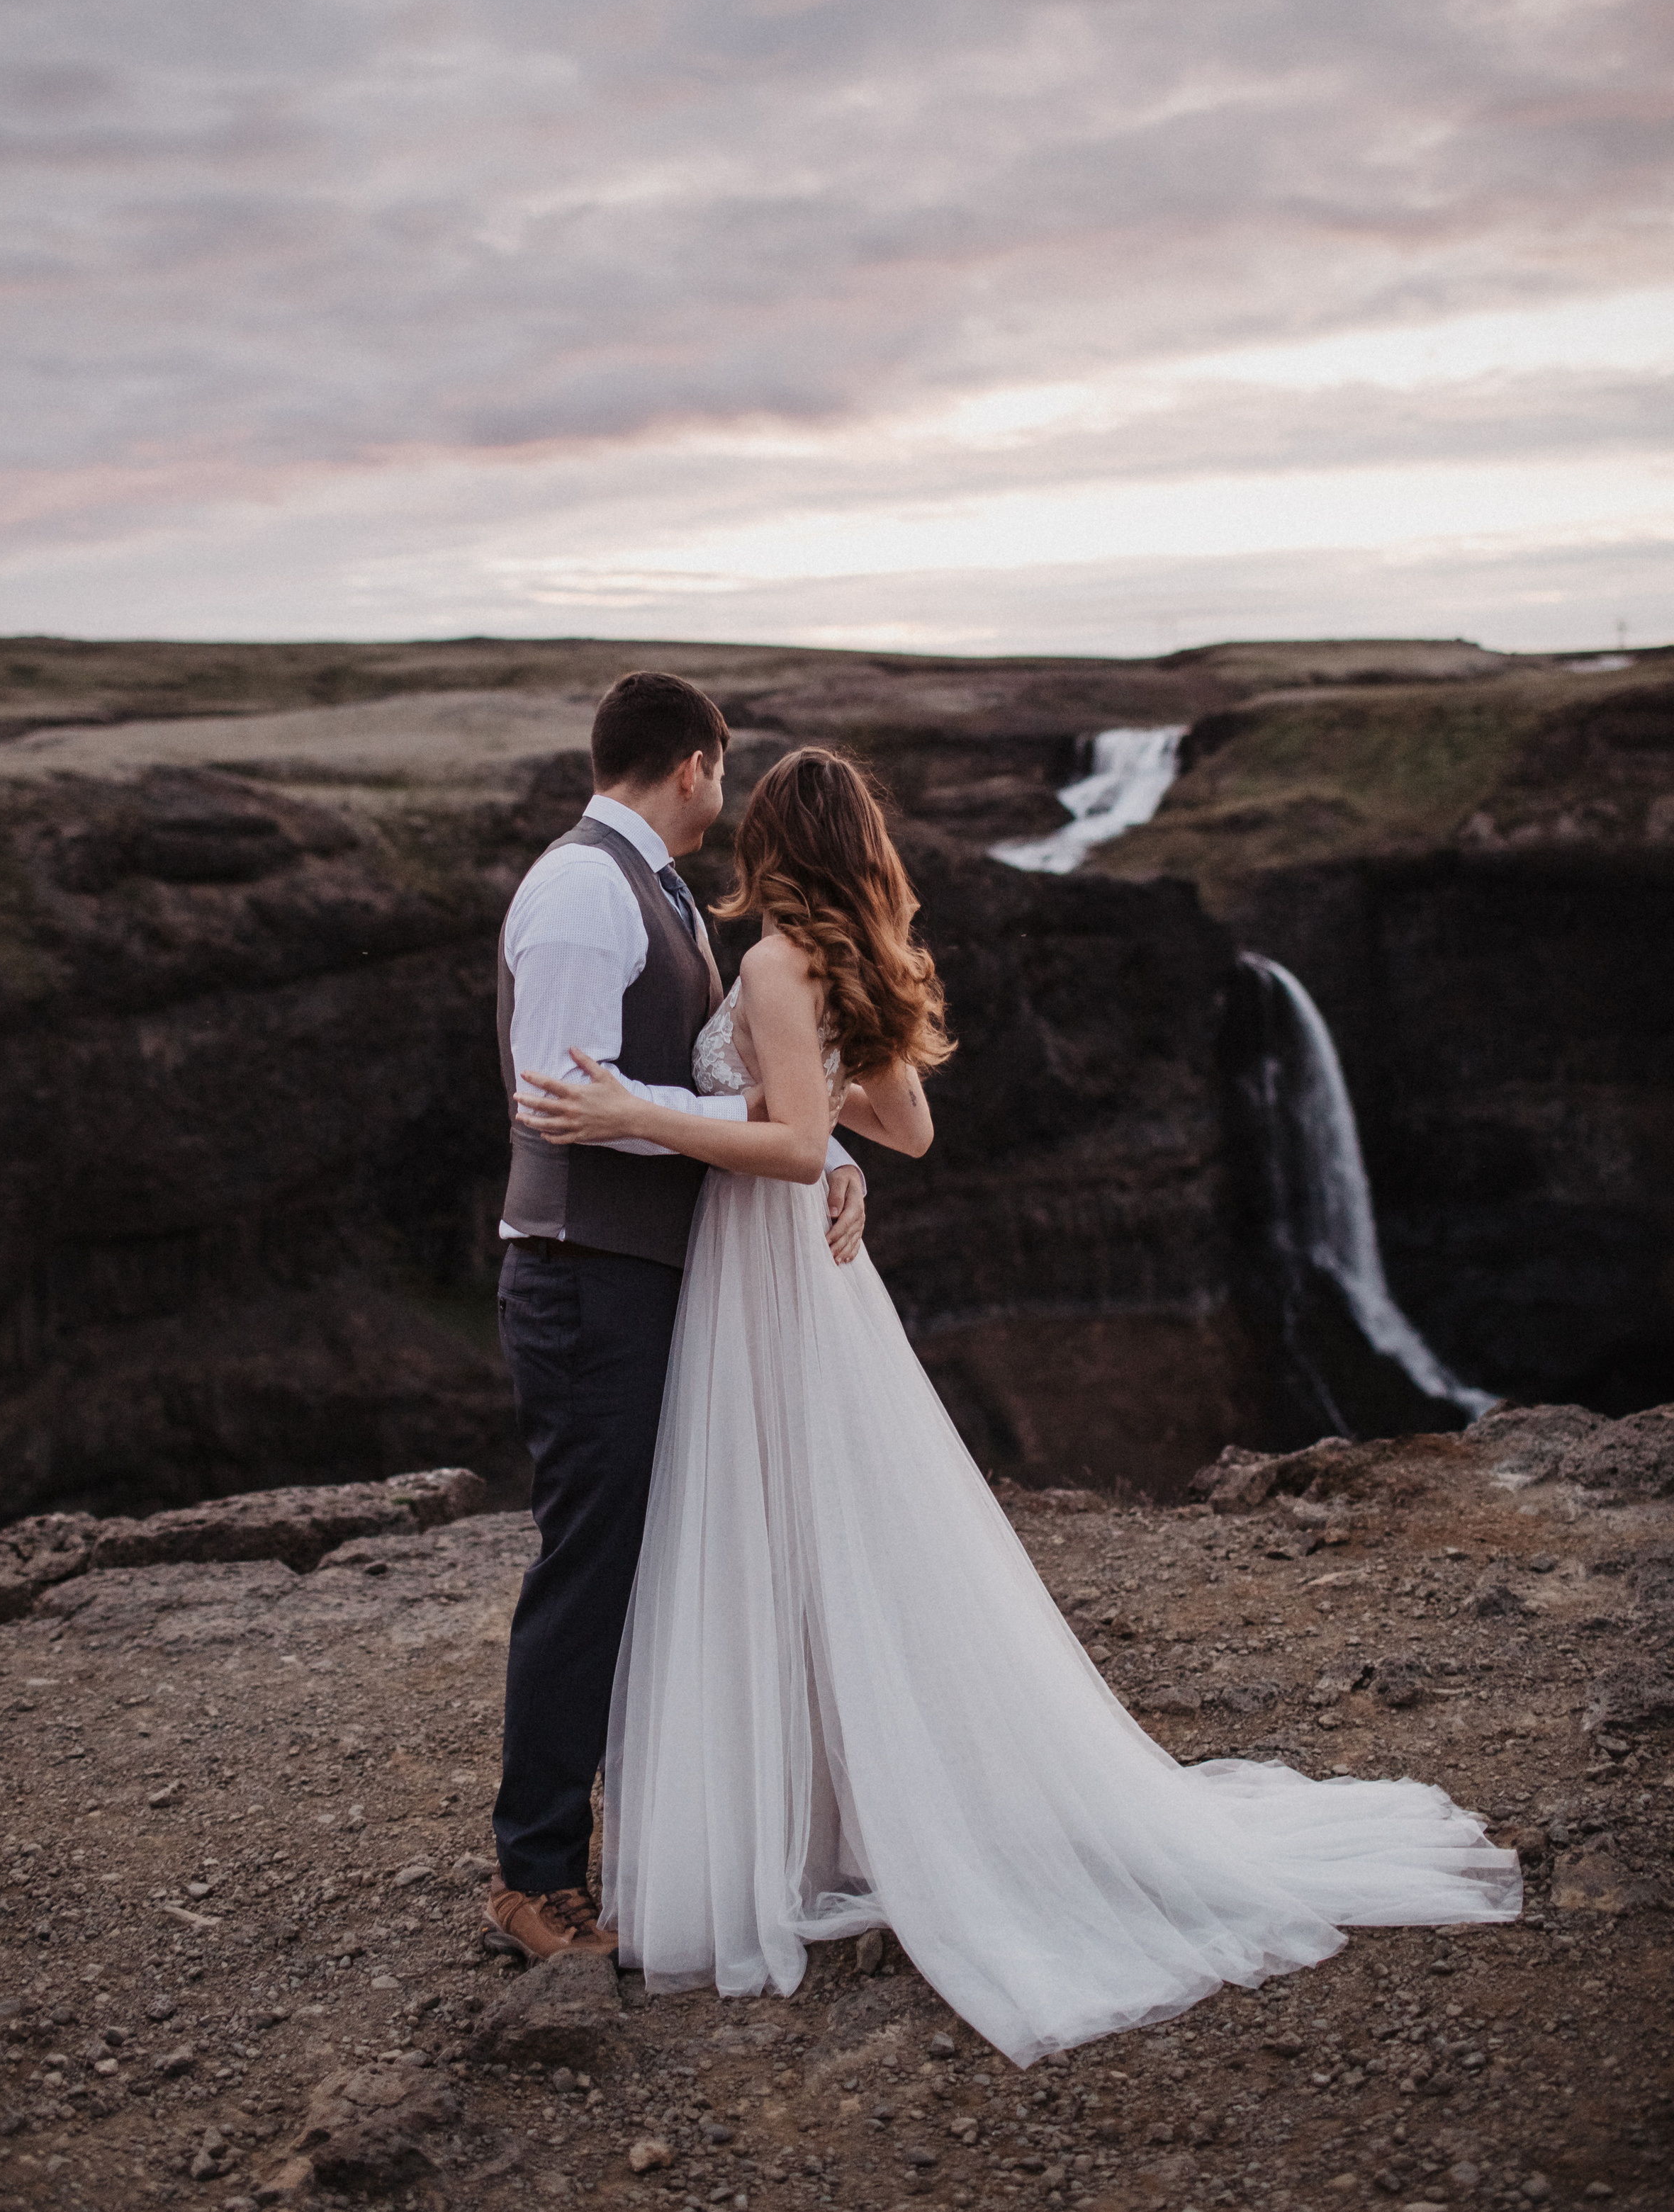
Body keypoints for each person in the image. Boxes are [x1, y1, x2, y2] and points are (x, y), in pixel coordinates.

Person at [515, 746, 1521, 2063]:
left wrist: (632, 1111)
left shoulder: (767, 963)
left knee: (767, 1532)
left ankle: (800, 1825)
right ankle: (849, 1807)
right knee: (835, 1531)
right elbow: (904, 1131)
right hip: (807, 1282)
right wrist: (795, 1117)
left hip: (756, 1277)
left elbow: (806, 1143)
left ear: (770, 840)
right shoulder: (841, 965)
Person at [485, 673, 867, 1965]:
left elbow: (733, 1089)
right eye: (725, 765)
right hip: (585, 1272)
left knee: (646, 1560)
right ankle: (534, 1876)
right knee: (589, 1567)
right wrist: (780, 1140)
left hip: (645, 1274)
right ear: (696, 763)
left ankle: (664, 1836)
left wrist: (825, 1158)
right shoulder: (591, 892)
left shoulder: (653, 893)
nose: (729, 787)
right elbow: (571, 1103)